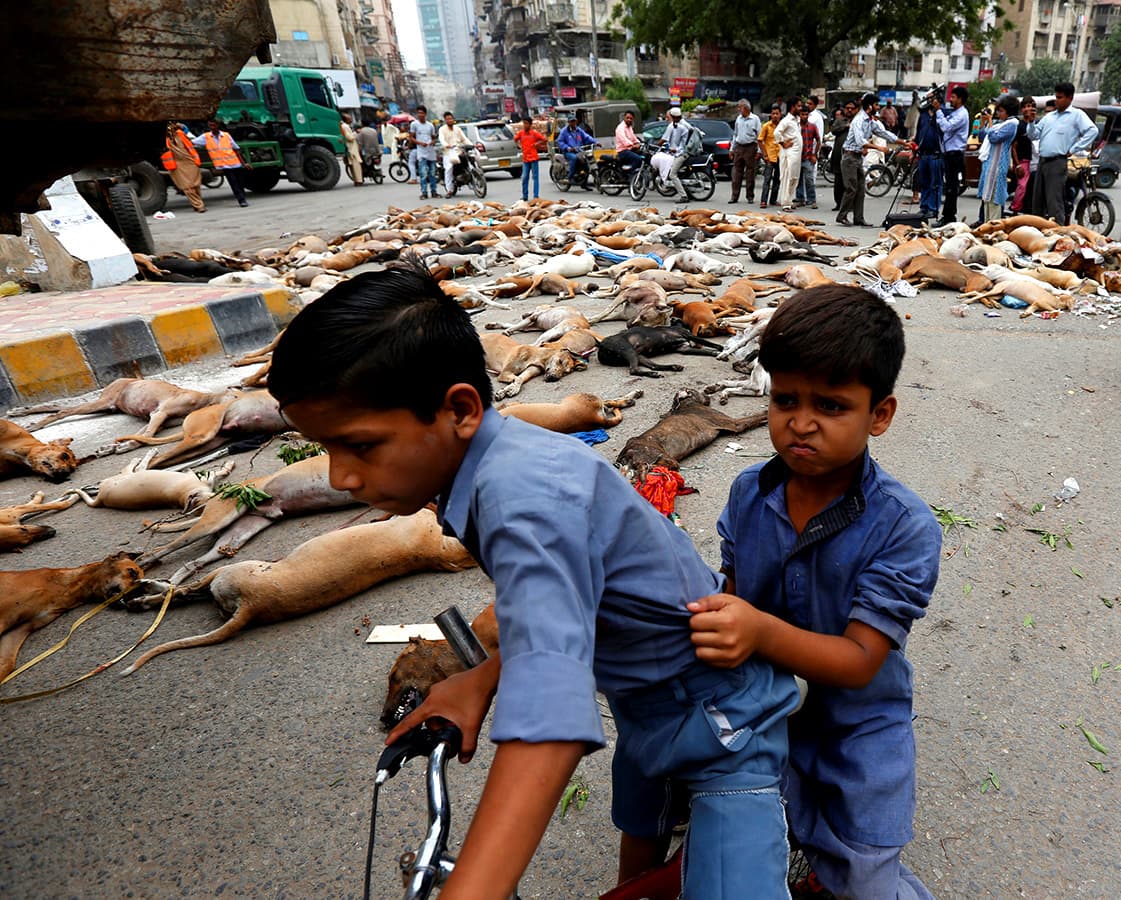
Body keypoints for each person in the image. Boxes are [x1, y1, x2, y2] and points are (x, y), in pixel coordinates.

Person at [267, 266, 800, 900]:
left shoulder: (521, 496)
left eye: (359, 446)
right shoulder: (489, 467)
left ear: (460, 409)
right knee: (639, 834)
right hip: (645, 703)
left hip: (723, 717)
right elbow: (552, 610)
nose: (341, 477)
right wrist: (480, 679)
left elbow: (550, 715)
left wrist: (474, 890)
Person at [688, 284, 942, 900]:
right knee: (741, 840)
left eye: (830, 406)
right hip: (762, 710)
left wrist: (758, 629)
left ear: (879, 415)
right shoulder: (749, 493)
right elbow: (731, 592)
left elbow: (859, 662)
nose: (801, 424)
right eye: (785, 399)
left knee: (862, 877)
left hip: (859, 727)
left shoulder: (904, 527)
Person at [1031, 82, 1098, 223]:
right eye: (1056, 97)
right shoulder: (1049, 117)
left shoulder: (1076, 115)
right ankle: (1037, 232)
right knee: (1037, 202)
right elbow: (1034, 134)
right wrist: (1030, 122)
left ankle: (1059, 234)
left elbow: (1092, 131)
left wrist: (1074, 149)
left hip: (1057, 162)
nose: (1057, 100)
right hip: (1042, 161)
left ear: (1070, 98)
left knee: (1054, 202)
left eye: (1060, 97)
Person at [838, 93, 903, 226]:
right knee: (851, 188)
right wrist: (879, 148)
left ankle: (859, 218)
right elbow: (861, 141)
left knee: (861, 189)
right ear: (869, 106)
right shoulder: (859, 121)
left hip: (857, 157)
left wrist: (903, 142)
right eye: (876, 105)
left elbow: (884, 133)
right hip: (849, 157)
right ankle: (842, 215)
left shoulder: (870, 121)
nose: (878, 107)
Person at [975, 96, 1021, 224]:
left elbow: (994, 138)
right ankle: (986, 225)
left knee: (995, 198)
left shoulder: (1012, 124)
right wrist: (984, 121)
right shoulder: (999, 124)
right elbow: (982, 136)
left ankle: (995, 227)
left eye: (1001, 111)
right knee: (987, 200)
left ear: (1008, 111)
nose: (998, 114)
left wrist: (989, 122)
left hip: (998, 164)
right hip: (989, 165)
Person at [934, 85, 971, 226]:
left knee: (951, 187)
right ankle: (948, 216)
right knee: (949, 187)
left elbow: (946, 127)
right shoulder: (955, 112)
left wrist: (938, 111)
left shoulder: (962, 114)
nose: (951, 99)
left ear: (960, 99)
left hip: (955, 154)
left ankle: (949, 217)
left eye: (953, 97)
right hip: (949, 153)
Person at [192, 120, 250, 207]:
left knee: (240, 182)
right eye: (210, 125)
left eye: (213, 125)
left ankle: (242, 196)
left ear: (218, 125)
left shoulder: (226, 135)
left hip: (235, 163)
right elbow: (192, 142)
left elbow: (236, 149)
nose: (212, 127)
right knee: (233, 182)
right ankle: (241, 200)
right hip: (224, 165)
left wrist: (244, 163)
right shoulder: (206, 137)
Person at [912, 93, 944, 221]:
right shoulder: (923, 115)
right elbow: (919, 132)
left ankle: (933, 208)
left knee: (935, 183)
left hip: (936, 153)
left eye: (932, 99)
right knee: (924, 182)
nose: (929, 101)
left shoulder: (942, 114)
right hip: (923, 153)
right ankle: (924, 207)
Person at [161, 122, 205, 213]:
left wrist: (181, 127)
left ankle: (197, 203)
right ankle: (199, 205)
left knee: (195, 185)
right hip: (177, 164)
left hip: (190, 161)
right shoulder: (166, 140)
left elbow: (187, 133)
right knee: (187, 187)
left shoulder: (181, 134)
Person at [651, 106, 694, 197]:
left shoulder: (677, 126)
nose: (667, 119)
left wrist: (655, 145)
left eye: (668, 117)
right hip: (683, 151)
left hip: (682, 154)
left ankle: (683, 196)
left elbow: (664, 139)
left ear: (672, 116)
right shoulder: (684, 124)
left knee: (672, 174)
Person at [729, 99, 761, 203]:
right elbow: (735, 134)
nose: (739, 109)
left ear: (746, 108)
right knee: (736, 173)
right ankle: (734, 196)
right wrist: (732, 149)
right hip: (739, 147)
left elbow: (759, 136)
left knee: (750, 173)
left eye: (740, 107)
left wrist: (759, 151)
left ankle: (750, 196)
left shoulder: (755, 119)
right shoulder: (738, 119)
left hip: (750, 147)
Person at [1009, 96, 1037, 214]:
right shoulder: (1019, 125)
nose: (1027, 109)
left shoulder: (1036, 125)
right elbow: (1013, 146)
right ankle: (1015, 208)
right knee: (1022, 187)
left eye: (1030, 106)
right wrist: (1017, 165)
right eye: (1025, 106)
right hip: (1022, 161)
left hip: (1034, 161)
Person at [775, 98, 803, 212]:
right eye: (799, 106)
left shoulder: (797, 120)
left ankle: (789, 201)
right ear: (793, 107)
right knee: (788, 177)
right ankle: (785, 203)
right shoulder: (786, 120)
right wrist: (783, 143)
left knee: (794, 178)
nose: (800, 108)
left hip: (796, 154)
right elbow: (777, 132)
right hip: (789, 154)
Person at [829, 100, 856, 211]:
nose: (849, 110)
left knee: (851, 181)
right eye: (847, 108)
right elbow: (834, 130)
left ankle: (849, 205)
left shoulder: (857, 121)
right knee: (838, 181)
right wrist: (845, 126)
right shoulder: (840, 121)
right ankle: (838, 203)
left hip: (852, 155)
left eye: (852, 108)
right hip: (838, 155)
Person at [438, 111, 472, 197]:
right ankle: (449, 190)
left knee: (470, 159)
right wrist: (446, 145)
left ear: (453, 119)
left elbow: (464, 139)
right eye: (448, 119)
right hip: (448, 152)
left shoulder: (457, 129)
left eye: (451, 118)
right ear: (445, 120)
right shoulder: (442, 129)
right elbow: (441, 139)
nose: (450, 120)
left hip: (458, 150)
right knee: (449, 168)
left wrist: (471, 144)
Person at [557, 115, 597, 187]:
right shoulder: (564, 131)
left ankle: (584, 183)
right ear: (568, 122)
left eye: (574, 121)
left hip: (579, 151)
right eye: (571, 121)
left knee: (586, 164)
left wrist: (595, 142)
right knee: (574, 158)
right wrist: (567, 148)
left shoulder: (579, 130)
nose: (573, 123)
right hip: (568, 152)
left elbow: (586, 137)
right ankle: (570, 176)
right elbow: (560, 142)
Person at [409, 106, 439, 200]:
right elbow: (411, 137)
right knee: (423, 173)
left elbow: (434, 137)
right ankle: (424, 192)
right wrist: (420, 143)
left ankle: (434, 191)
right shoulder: (414, 124)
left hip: (431, 152)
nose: (420, 115)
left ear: (425, 114)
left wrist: (432, 142)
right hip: (421, 152)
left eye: (422, 113)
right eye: (419, 113)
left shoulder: (430, 125)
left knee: (433, 173)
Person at [513, 117, 546, 201]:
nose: (525, 125)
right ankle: (525, 196)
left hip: (534, 158)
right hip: (525, 159)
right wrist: (519, 145)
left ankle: (535, 196)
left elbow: (544, 139)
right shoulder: (521, 133)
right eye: (524, 123)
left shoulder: (534, 133)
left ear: (530, 125)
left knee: (535, 178)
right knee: (524, 177)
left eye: (526, 123)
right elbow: (515, 139)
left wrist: (536, 144)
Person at [757, 105, 782, 209]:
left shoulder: (782, 126)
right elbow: (760, 140)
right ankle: (763, 201)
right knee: (767, 180)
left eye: (777, 113)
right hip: (770, 157)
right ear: (771, 115)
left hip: (780, 156)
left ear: (780, 115)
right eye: (773, 114)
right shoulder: (766, 126)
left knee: (777, 179)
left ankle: (773, 200)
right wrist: (765, 154)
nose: (775, 116)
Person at [796, 105, 820, 208]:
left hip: (808, 157)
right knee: (798, 179)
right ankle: (800, 199)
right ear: (799, 115)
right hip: (796, 157)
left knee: (809, 179)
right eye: (802, 114)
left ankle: (812, 199)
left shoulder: (812, 126)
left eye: (806, 114)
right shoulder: (795, 126)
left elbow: (818, 140)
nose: (804, 116)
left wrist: (815, 154)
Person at [613, 110, 644, 176]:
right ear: (624, 118)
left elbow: (634, 138)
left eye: (631, 118)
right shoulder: (620, 128)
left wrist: (639, 143)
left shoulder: (629, 127)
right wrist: (633, 145)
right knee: (637, 159)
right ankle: (631, 176)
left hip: (630, 149)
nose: (629, 120)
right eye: (627, 118)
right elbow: (625, 141)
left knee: (644, 155)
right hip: (623, 151)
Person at [340, 114, 363, 186]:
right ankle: (359, 180)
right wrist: (356, 133)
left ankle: (356, 180)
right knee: (356, 165)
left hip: (348, 147)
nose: (351, 119)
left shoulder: (343, 126)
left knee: (351, 165)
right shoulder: (345, 126)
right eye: (349, 118)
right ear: (345, 119)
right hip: (351, 147)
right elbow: (350, 138)